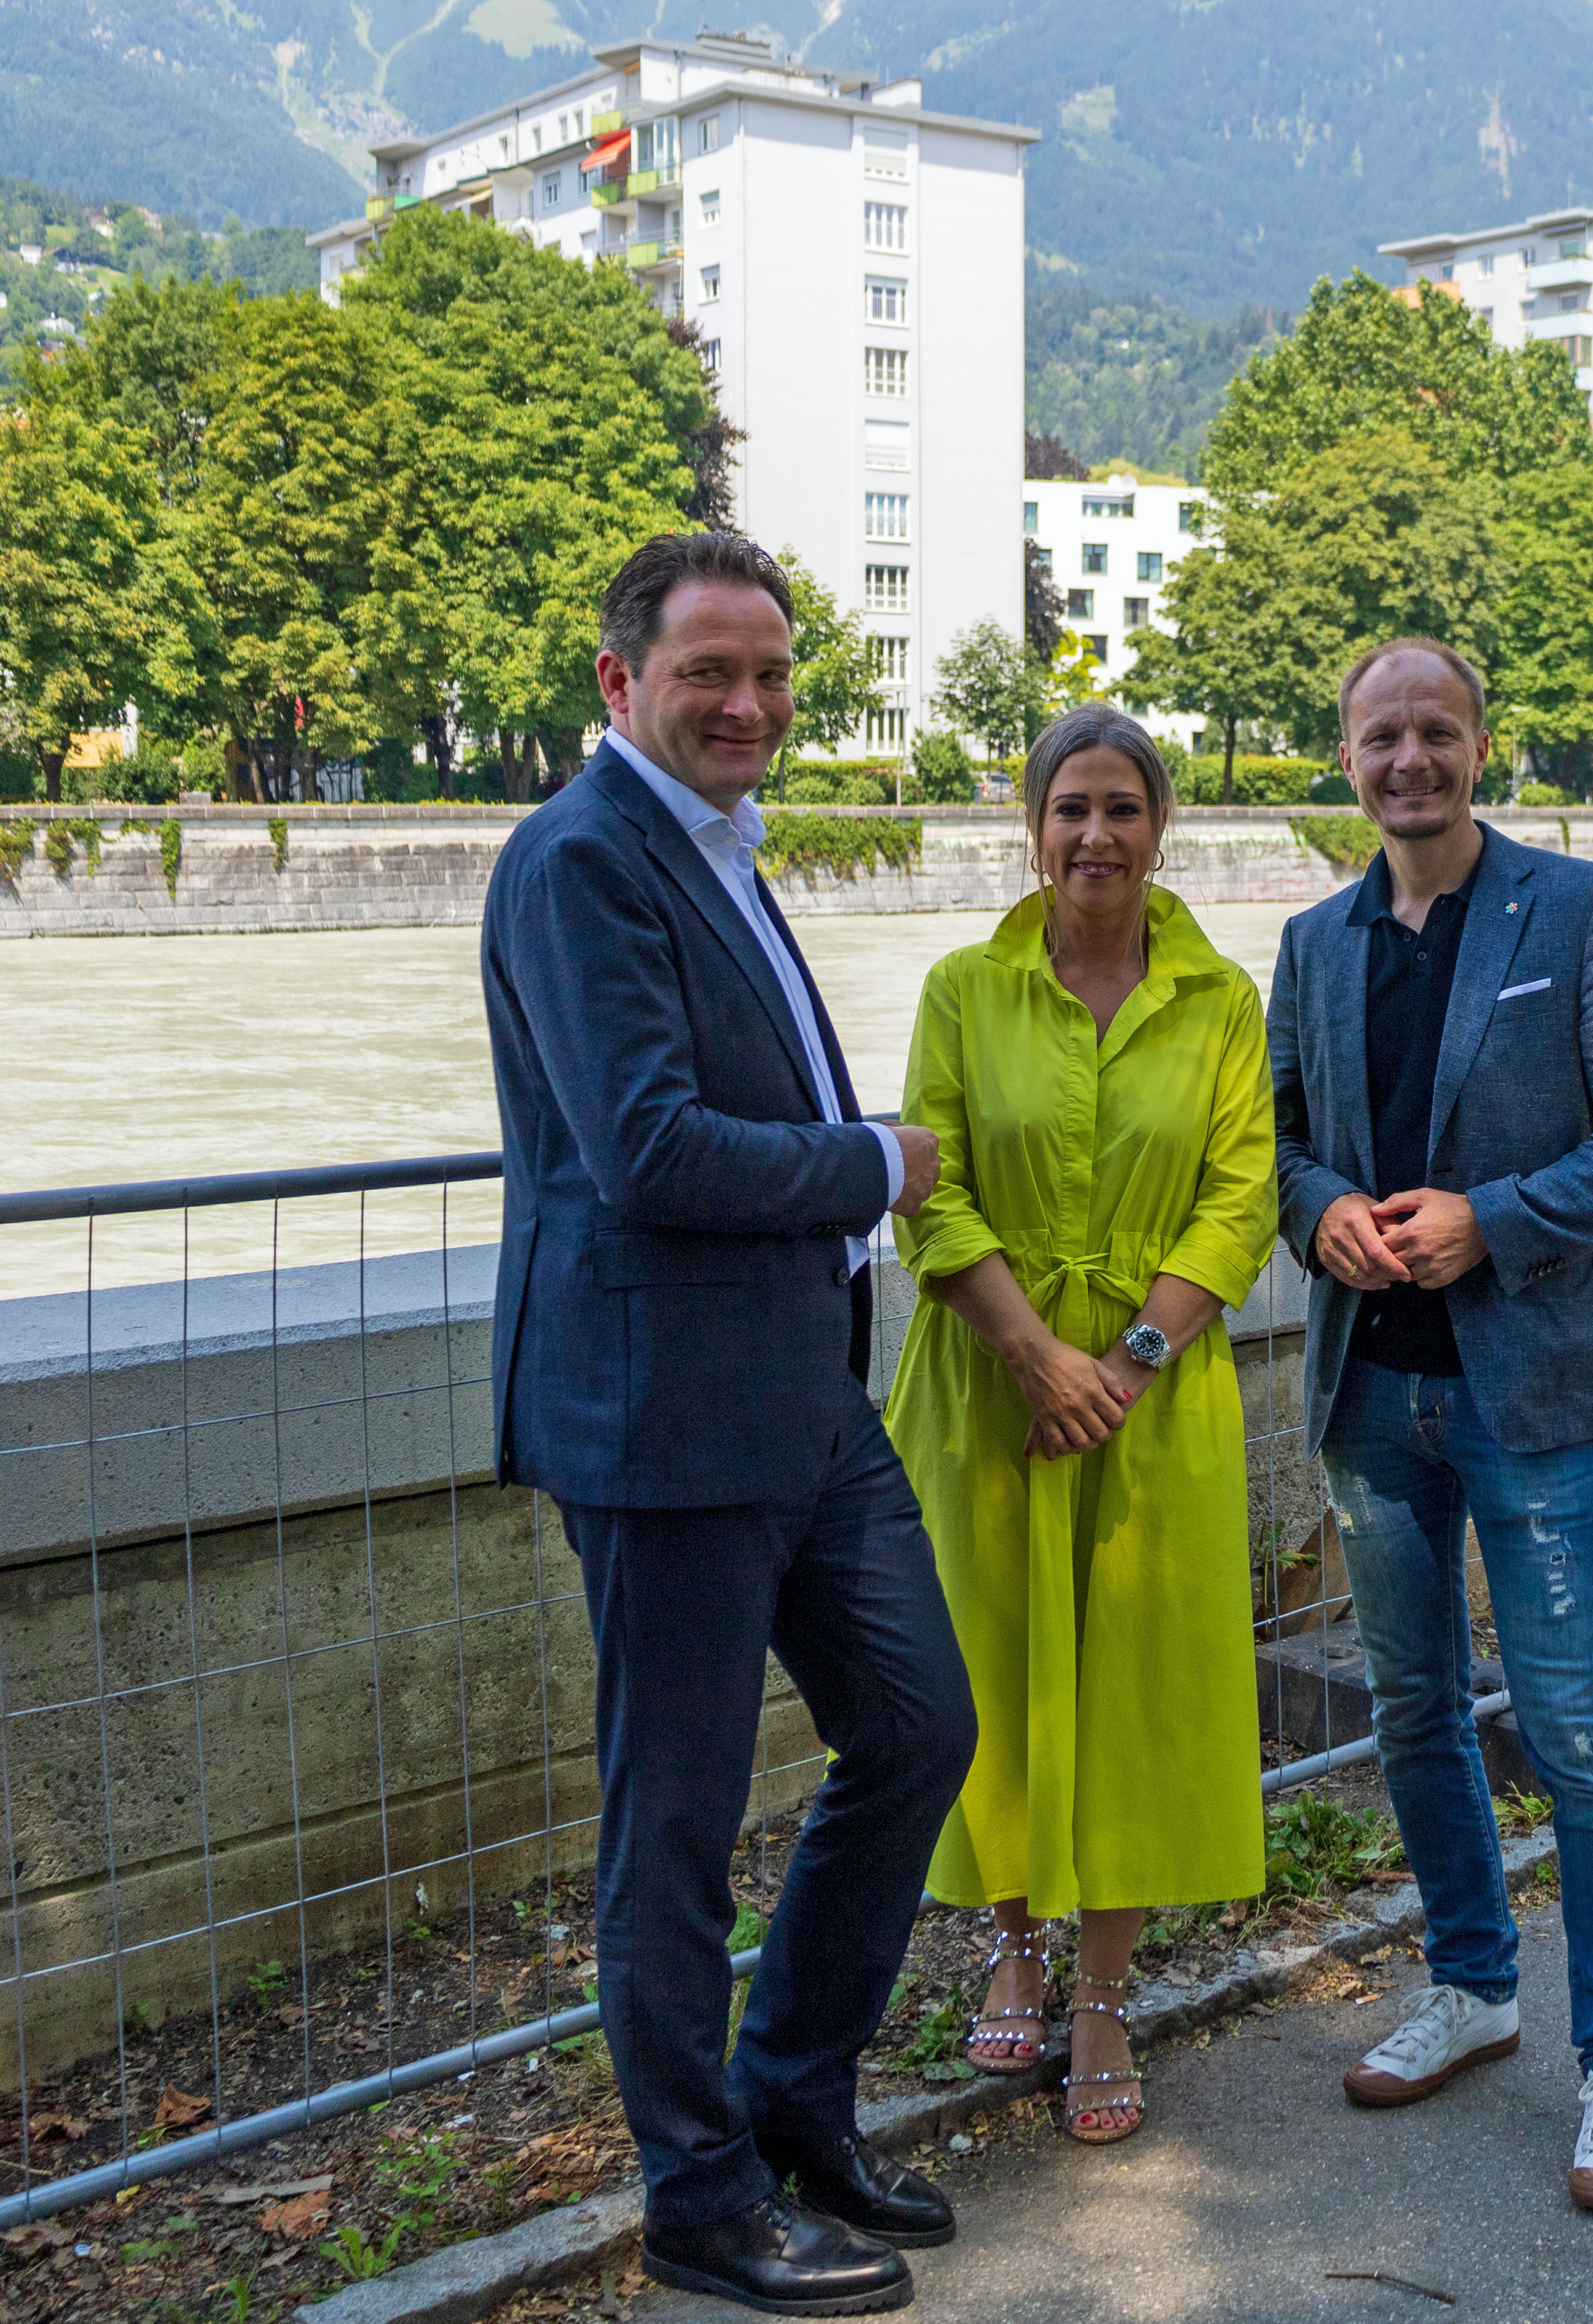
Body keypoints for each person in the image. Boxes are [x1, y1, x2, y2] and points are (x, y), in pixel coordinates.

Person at [480, 532, 977, 2316]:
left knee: (921, 1727)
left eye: (771, 674)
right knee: (672, 1830)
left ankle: (792, 2101)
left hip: (801, 1394)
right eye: (711, 673)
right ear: (622, 685)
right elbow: (649, 1148)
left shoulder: (713, 849)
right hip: (656, 1417)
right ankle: (702, 2201)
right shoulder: (576, 861)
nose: (751, 704)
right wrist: (882, 1164)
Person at [1264, 637, 1593, 2210]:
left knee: (1578, 1724)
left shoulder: (1579, 911)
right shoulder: (1313, 942)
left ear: (1478, 743)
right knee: (1411, 1711)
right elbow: (1283, 1144)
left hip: (1527, 1391)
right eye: (1380, 736)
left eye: (1434, 731)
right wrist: (1318, 1210)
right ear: (1347, 757)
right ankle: (1472, 1982)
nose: (1409, 760)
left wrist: (1493, 1218)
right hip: (1371, 1395)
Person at [881, 703, 1276, 2147]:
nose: (1096, 835)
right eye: (1070, 808)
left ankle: (1104, 1992)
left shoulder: (1221, 1001)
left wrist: (1128, 1356)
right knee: (986, 1677)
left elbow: (1241, 1195)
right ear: (1030, 828)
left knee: (1131, 1691)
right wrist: (1039, 1356)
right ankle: (1014, 1946)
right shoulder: (959, 988)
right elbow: (929, 1180)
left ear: (1160, 826)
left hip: (1152, 1398)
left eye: (1122, 807)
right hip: (989, 1384)